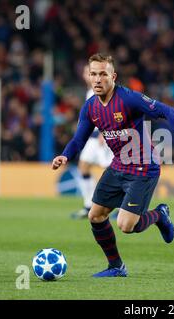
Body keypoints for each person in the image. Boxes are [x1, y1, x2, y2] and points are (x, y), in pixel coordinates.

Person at [52, 53, 174, 277]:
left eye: (103, 74)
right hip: (118, 166)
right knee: (95, 216)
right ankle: (116, 267)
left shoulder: (128, 98)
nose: (97, 79)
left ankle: (159, 215)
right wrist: (65, 156)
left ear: (113, 76)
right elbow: (79, 139)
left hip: (144, 167)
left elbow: (168, 112)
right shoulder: (90, 108)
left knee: (126, 226)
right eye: (93, 74)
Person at [71, 65, 114, 219]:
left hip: (103, 136)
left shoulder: (103, 90)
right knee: (83, 167)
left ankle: (121, 207)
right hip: (92, 137)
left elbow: (108, 111)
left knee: (113, 173)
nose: (88, 76)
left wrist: (104, 132)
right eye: (86, 73)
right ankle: (89, 204)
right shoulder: (90, 91)